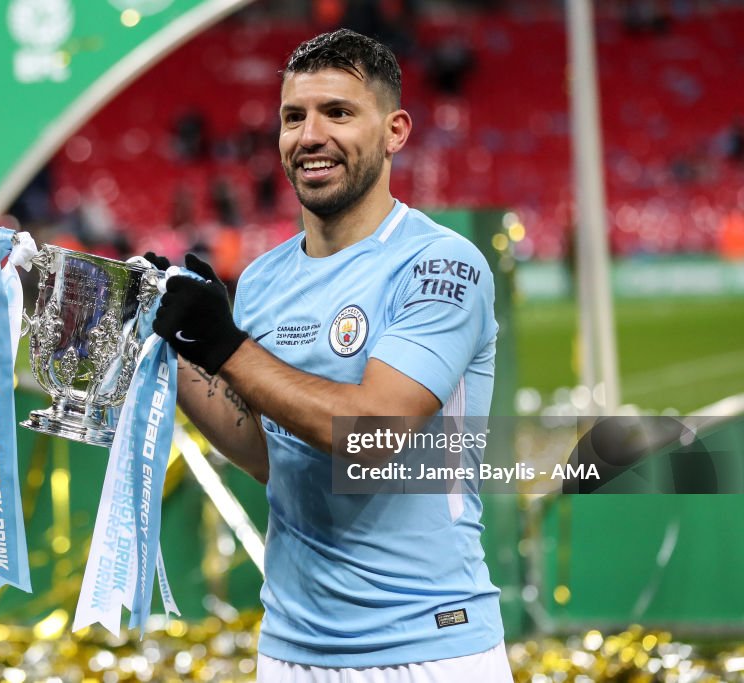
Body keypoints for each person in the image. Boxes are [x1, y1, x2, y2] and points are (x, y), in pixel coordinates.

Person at [148, 29, 512, 682]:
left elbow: (375, 434)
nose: (310, 135)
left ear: (396, 130)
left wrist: (226, 347)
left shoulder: (441, 265)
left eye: (337, 113)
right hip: (291, 649)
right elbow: (268, 451)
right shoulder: (262, 277)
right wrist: (171, 348)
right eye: (294, 116)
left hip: (429, 647)